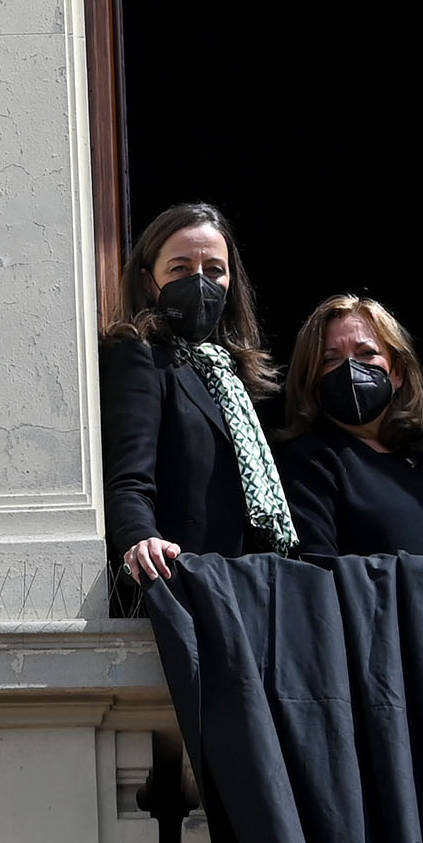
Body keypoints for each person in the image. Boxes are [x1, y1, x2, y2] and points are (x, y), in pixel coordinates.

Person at [99, 202, 300, 589]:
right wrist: (140, 538)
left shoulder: (236, 379)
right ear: (147, 281)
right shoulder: (141, 358)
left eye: (214, 271)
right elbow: (127, 480)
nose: (200, 282)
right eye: (180, 269)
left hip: (249, 587)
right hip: (185, 585)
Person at [276, 292, 423, 561]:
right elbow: (315, 572)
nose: (351, 368)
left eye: (367, 353)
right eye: (331, 359)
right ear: (312, 379)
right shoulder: (308, 464)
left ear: (398, 372)